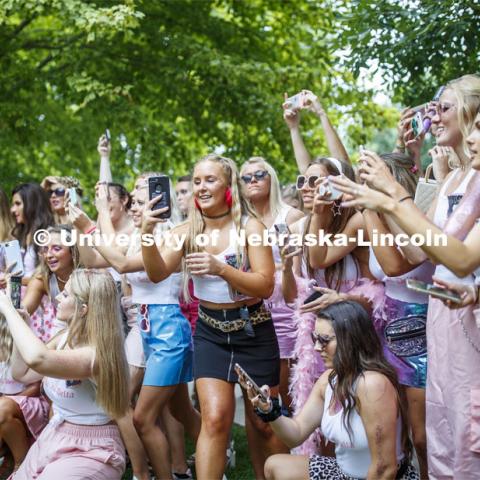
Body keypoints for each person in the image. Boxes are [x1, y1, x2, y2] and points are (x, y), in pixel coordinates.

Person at [330, 74, 480, 479]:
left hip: (467, 322)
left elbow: (462, 258)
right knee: (442, 428)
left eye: (443, 107)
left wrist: (389, 196)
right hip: (443, 318)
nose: (434, 116)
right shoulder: (454, 179)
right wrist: (375, 201)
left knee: (469, 431)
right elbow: (413, 254)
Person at [141, 153, 284, 479]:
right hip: (211, 333)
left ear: (228, 185)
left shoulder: (250, 227)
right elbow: (156, 272)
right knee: (215, 418)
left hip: (253, 331)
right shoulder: (186, 230)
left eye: (210, 180)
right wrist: (147, 233)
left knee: (264, 423)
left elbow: (264, 285)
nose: (201, 187)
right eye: (196, 181)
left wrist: (221, 268)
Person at [70, 175, 198, 480]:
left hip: (167, 329)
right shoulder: (138, 236)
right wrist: (82, 228)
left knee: (142, 417)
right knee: (183, 413)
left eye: (143, 203)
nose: (137, 209)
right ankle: (213, 457)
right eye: (137, 203)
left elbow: (124, 265)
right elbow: (93, 258)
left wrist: (94, 221)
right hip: (147, 329)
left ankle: (177, 472)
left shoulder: (170, 235)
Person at [240, 301, 418, 480]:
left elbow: (384, 469)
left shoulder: (372, 385)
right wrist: (269, 410)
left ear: (351, 340)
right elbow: (296, 434)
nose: (317, 348)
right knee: (275, 465)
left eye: (324, 340)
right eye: (314, 338)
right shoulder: (329, 380)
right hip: (343, 474)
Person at [0, 269, 129, 479]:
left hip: (92, 449)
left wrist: (8, 310)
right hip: (56, 433)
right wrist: (22, 324)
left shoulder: (95, 355)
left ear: (83, 309)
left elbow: (38, 358)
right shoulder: (64, 337)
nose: (58, 297)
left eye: (66, 294)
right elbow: (21, 373)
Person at [240, 156, 304, 414]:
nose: (252, 181)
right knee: (258, 392)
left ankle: (297, 448)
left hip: (286, 311)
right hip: (252, 311)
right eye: (246, 178)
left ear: (272, 179)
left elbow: (298, 273)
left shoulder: (292, 217)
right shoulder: (240, 223)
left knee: (290, 390)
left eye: (259, 175)